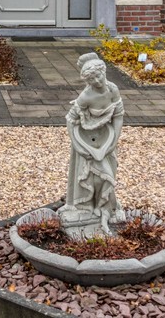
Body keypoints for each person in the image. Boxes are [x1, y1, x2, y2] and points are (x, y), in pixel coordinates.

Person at [61, 53, 125, 236]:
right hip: (87, 140)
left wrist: (114, 141)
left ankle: (105, 207)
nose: (97, 81)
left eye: (99, 75)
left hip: (107, 139)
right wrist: (78, 146)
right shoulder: (86, 96)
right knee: (90, 177)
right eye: (92, 78)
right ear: (87, 80)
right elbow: (70, 120)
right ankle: (88, 207)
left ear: (104, 71)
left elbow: (118, 115)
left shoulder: (113, 90)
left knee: (108, 173)